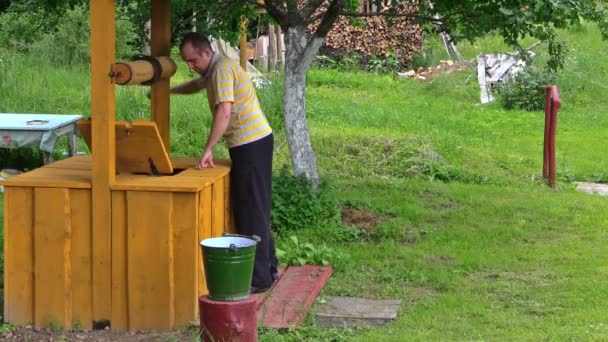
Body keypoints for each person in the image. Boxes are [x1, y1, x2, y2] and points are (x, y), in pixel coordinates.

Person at [172, 32, 278, 293]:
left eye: (193, 60)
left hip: (250, 144)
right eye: (187, 62)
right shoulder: (216, 68)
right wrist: (168, 90)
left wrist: (208, 150)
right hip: (253, 141)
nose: (191, 66)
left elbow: (225, 110)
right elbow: (196, 85)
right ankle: (271, 267)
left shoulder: (220, 70)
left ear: (206, 52)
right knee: (258, 204)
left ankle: (260, 279)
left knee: (251, 209)